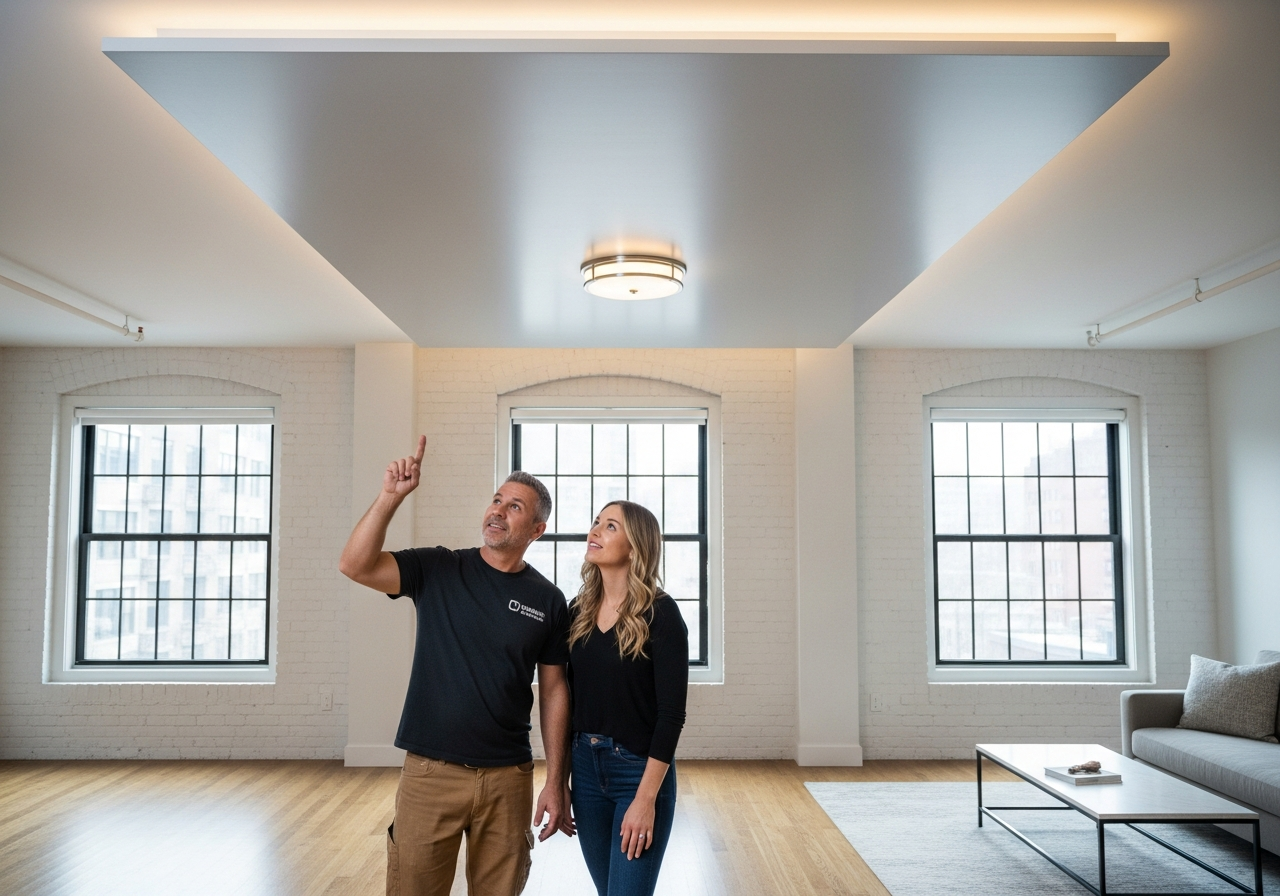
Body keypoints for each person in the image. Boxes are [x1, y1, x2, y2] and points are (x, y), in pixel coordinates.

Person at [339, 436, 573, 896]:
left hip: (509, 779)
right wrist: (390, 497)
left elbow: (553, 691)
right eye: (496, 500)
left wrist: (555, 780)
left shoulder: (548, 600)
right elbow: (355, 564)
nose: (499, 511)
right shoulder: (439, 569)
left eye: (516, 507)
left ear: (538, 529)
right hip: (431, 775)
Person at [567, 501, 689, 896]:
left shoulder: (662, 615)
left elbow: (671, 716)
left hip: (638, 771)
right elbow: (566, 698)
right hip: (585, 769)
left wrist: (645, 799)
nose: (596, 530)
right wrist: (562, 778)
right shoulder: (578, 611)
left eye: (611, 526)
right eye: (596, 522)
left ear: (635, 547)